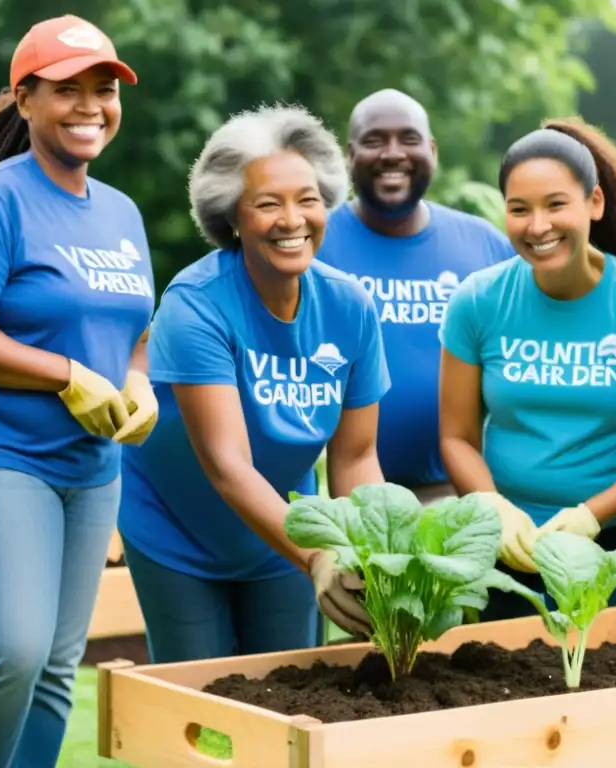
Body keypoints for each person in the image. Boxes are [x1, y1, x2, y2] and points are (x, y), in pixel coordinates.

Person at [0, 15, 157, 768]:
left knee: (56, 668)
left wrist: (138, 381)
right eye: (68, 91)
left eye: (103, 90)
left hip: (90, 470)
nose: (91, 106)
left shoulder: (120, 212)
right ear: (25, 100)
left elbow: (134, 329)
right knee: (12, 653)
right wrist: (64, 374)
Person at [116, 104, 391, 664]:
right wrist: (316, 558)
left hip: (284, 528)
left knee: (290, 700)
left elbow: (357, 455)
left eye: (307, 199)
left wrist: (374, 553)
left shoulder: (349, 306)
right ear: (233, 219)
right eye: (268, 204)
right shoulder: (196, 306)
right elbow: (229, 465)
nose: (292, 219)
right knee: (197, 708)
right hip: (177, 529)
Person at [438, 119, 616, 621]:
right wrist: (493, 506)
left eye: (556, 204)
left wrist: (592, 515)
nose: (537, 226)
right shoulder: (477, 301)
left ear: (594, 204)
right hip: (515, 548)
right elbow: (456, 436)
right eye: (519, 209)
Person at [316, 89, 514, 506]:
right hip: (352, 502)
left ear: (433, 150)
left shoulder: (485, 247)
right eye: (374, 141)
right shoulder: (313, 244)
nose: (392, 154)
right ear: (349, 155)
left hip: (465, 499)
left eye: (409, 139)